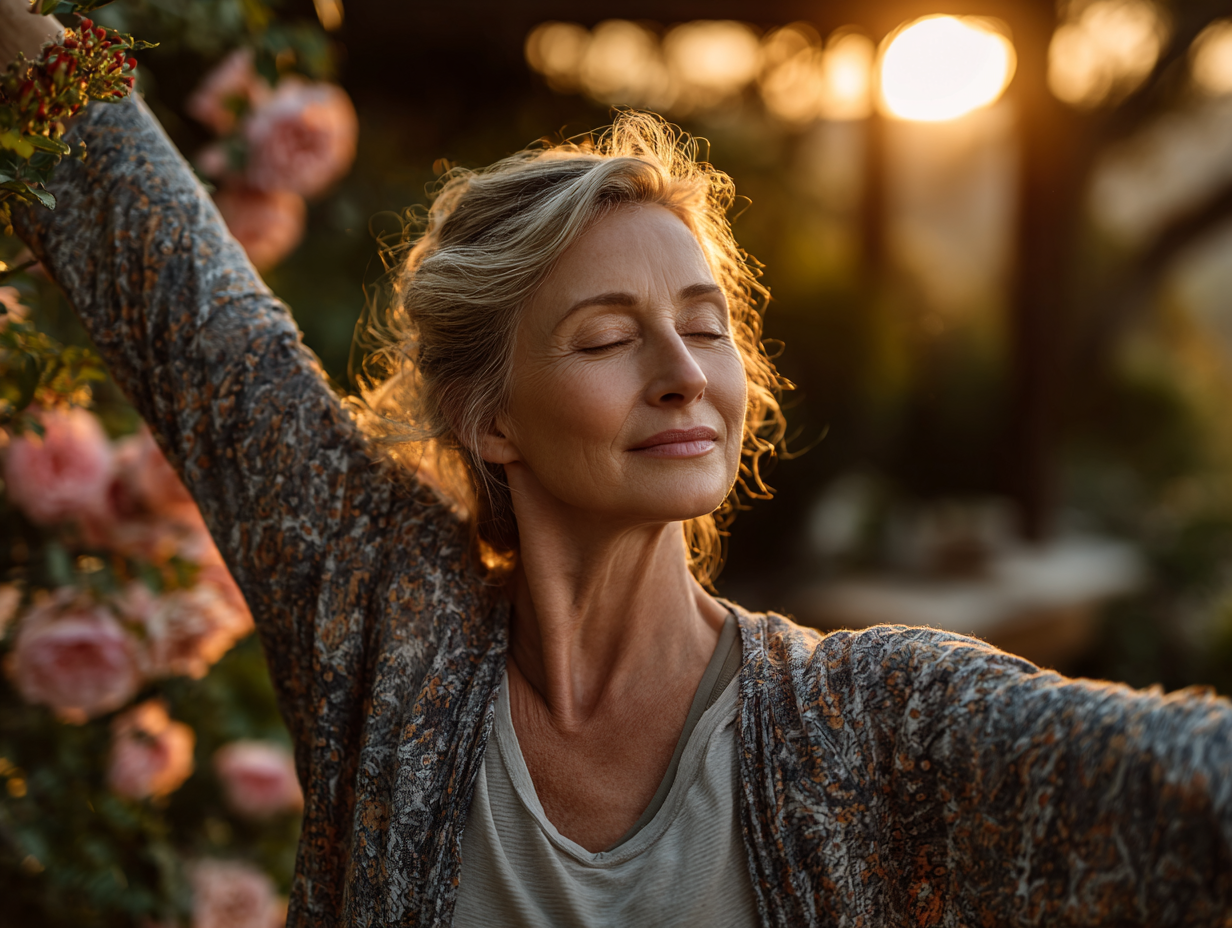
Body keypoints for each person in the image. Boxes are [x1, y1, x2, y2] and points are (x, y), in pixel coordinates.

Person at [3, 5, 1232, 927]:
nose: (681, 372)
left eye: (704, 326)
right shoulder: (385, 628)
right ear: (491, 421)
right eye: (604, 337)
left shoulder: (869, 722)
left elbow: (1169, 786)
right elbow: (182, 299)